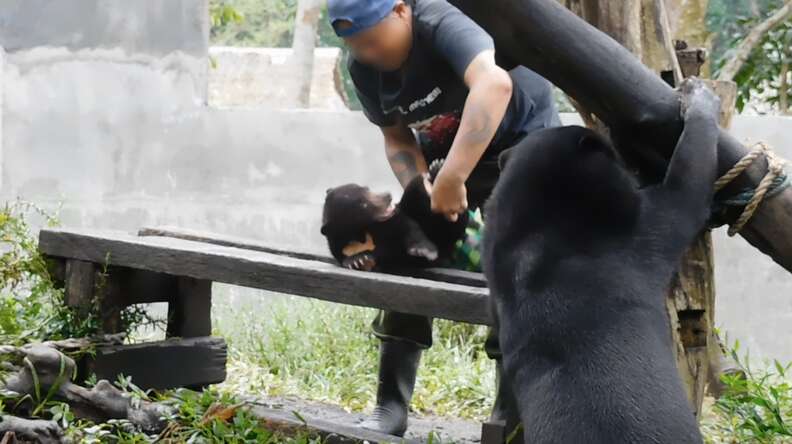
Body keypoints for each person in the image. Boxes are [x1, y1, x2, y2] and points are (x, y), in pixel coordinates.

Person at [327, 0, 562, 437]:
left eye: (373, 40)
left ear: (400, 11)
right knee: (402, 257)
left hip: (521, 157)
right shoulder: (363, 68)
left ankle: (509, 419)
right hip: (445, 166)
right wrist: (421, 188)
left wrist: (454, 176)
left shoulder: (440, 23)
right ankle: (390, 406)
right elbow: (396, 137)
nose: (367, 54)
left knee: (514, 273)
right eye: (355, 45)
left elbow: (494, 86)